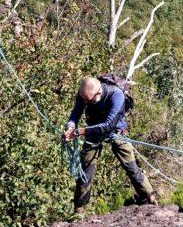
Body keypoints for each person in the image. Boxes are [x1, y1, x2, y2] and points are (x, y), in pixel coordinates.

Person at [63, 76, 157, 212]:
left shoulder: (116, 95)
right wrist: (70, 127)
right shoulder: (84, 94)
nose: (86, 103)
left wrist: (79, 132)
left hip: (116, 130)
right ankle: (79, 210)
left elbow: (108, 126)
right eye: (84, 100)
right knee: (85, 170)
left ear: (99, 93)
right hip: (92, 130)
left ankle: (150, 198)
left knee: (130, 166)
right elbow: (75, 114)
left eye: (88, 101)